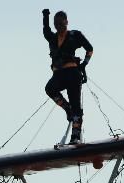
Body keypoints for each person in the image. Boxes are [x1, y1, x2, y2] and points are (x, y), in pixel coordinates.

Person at [42, 9, 93, 144]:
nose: (59, 26)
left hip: (72, 73)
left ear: (67, 22)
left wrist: (84, 64)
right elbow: (46, 29)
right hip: (58, 73)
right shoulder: (52, 37)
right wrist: (45, 16)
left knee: (76, 104)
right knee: (50, 89)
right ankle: (67, 108)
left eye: (61, 23)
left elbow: (89, 48)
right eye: (56, 24)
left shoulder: (75, 35)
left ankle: (75, 136)